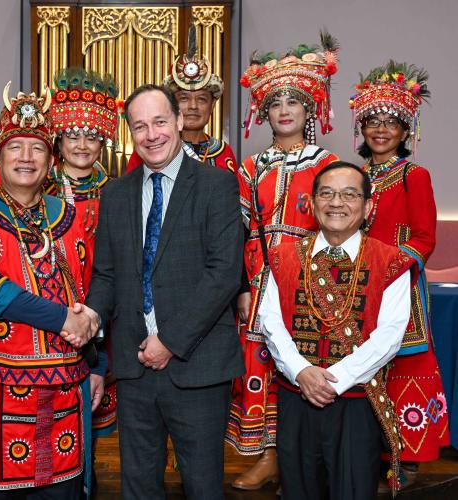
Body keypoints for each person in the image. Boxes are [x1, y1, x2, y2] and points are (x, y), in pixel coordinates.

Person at [86, 83, 244, 499]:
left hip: (198, 365)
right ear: (130, 134)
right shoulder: (116, 193)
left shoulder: (217, 185)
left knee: (202, 485)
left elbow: (224, 273)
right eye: (139, 126)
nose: (151, 134)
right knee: (138, 485)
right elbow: (105, 275)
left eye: (159, 122)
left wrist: (170, 342)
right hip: (134, 365)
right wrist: (89, 317)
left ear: (177, 121)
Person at [0, 82, 99, 499]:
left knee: (60, 490)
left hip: (66, 383)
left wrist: (95, 345)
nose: (26, 158)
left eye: (37, 148)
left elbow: (94, 282)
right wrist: (64, 319)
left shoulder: (66, 214)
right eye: (15, 147)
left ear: (51, 162)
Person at [226, 34, 340, 490]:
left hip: (312, 278)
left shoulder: (328, 164)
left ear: (311, 108)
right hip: (259, 276)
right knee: (260, 365)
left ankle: (308, 457)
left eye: (294, 100)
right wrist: (241, 286)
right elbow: (237, 231)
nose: (284, 110)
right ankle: (268, 457)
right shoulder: (251, 168)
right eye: (275, 102)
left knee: (307, 363)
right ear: (264, 112)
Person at [261, 161, 414, 499]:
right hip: (296, 394)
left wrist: (334, 379)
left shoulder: (390, 261)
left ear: (368, 206)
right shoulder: (282, 256)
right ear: (312, 204)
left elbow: (390, 335)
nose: (336, 203)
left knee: (353, 489)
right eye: (326, 194)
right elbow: (270, 321)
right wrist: (302, 372)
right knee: (298, 487)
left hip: (356, 400)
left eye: (349, 195)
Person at [351, 61, 449, 490]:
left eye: (391, 123)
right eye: (373, 121)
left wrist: (389, 266)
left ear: (406, 132)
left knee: (405, 367)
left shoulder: (414, 175)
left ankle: (407, 459)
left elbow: (424, 237)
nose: (381, 130)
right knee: (363, 366)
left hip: (400, 287)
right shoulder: (352, 177)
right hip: (355, 287)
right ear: (362, 129)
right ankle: (368, 452)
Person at [47, 68, 119, 494]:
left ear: (103, 141)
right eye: (72, 134)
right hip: (50, 309)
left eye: (91, 136)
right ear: (58, 138)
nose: (81, 144)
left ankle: (82, 483)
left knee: (87, 409)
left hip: (103, 311)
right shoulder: (39, 184)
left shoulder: (117, 190)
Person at [125, 26, 236, 174]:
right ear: (172, 106)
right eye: (184, 98)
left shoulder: (224, 152)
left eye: (202, 99)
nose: (193, 106)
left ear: (213, 105)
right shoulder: (153, 147)